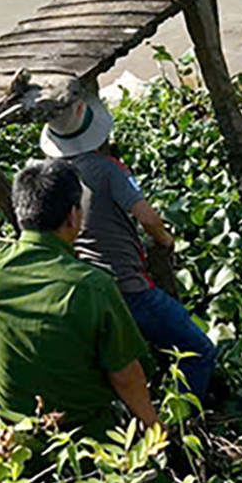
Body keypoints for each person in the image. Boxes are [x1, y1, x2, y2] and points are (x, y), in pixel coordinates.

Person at [0, 153, 158, 438]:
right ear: (73, 215)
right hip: (89, 442)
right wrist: (155, 429)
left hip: (15, 445)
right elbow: (126, 377)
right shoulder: (94, 286)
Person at [40, 93, 219, 404]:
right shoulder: (109, 169)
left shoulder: (49, 174)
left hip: (83, 293)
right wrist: (166, 240)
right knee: (199, 350)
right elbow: (147, 217)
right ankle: (182, 421)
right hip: (129, 289)